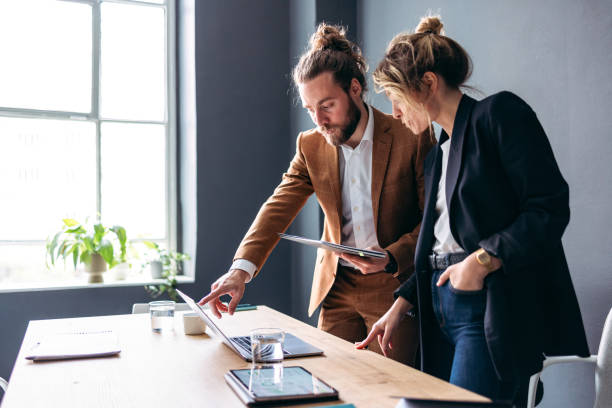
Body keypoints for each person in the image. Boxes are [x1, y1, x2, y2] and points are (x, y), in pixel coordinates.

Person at [353, 15, 589, 404]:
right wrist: (402, 303)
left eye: (395, 98)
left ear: (428, 83)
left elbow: (548, 207)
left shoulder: (499, 115)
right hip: (438, 311)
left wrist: (482, 260)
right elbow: (438, 245)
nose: (394, 112)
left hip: (487, 308)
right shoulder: (435, 157)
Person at [197, 23, 435, 366]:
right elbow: (276, 208)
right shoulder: (310, 145)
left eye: (327, 105)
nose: (319, 120)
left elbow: (435, 222)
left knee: (382, 387)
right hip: (337, 287)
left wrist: (391, 256)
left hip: (394, 286)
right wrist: (239, 271)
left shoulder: (410, 134)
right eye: (310, 109)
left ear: (355, 89)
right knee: (323, 380)